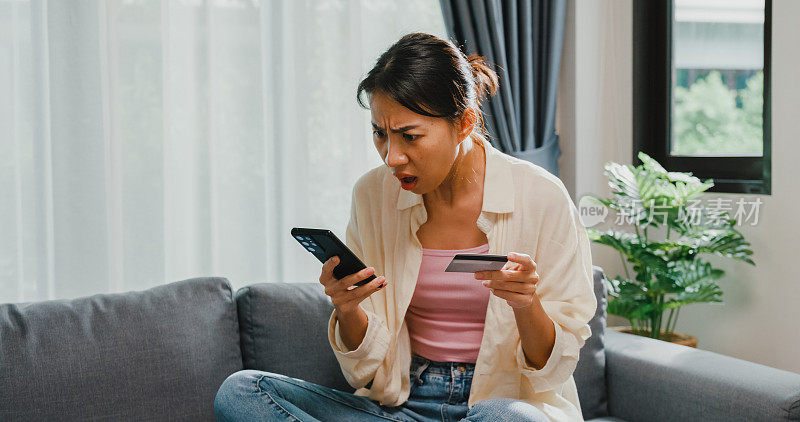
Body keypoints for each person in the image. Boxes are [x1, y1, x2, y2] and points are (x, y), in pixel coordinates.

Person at [214, 32, 597, 422]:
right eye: (380, 133)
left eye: (409, 136)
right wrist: (348, 308)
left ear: (464, 123)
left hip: (500, 408)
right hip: (402, 408)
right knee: (243, 392)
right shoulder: (373, 195)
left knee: (509, 419)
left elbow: (554, 369)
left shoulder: (542, 196)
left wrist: (526, 303)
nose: (392, 156)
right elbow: (363, 369)